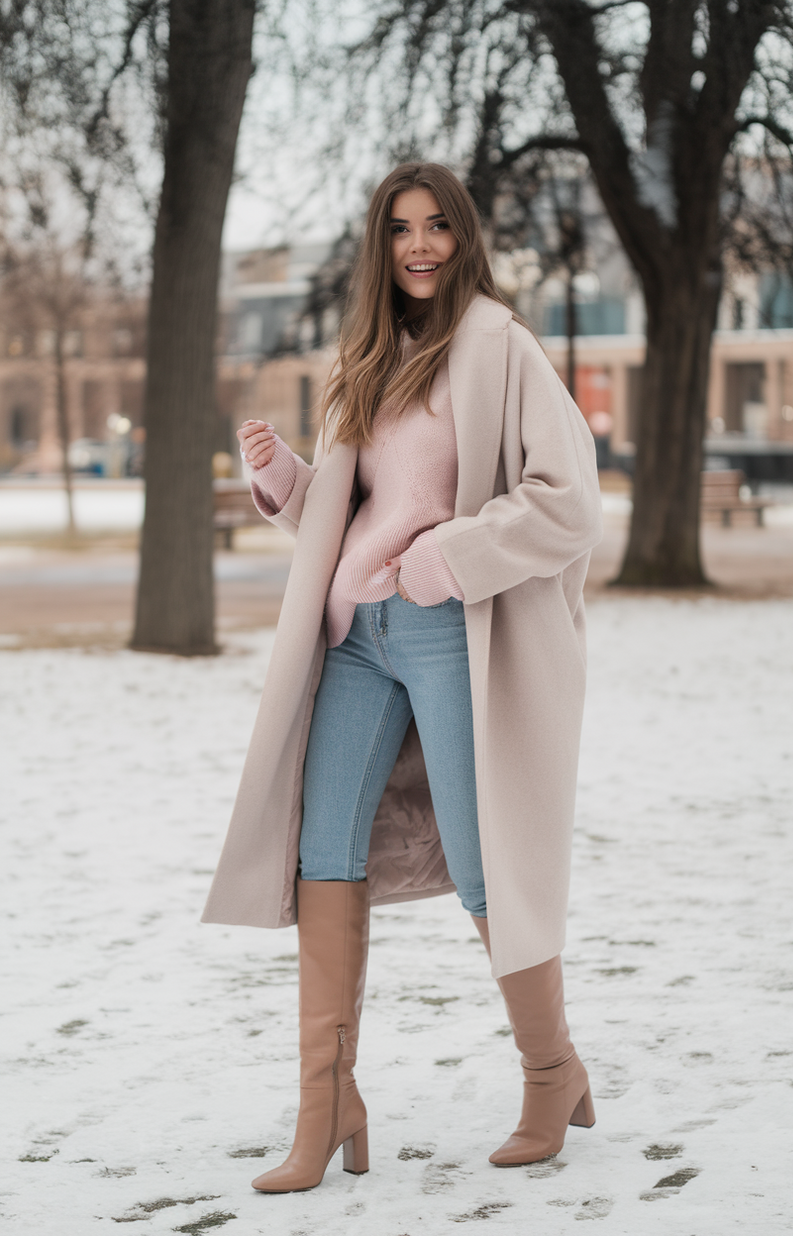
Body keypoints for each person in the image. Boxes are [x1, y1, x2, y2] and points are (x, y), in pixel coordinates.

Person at [202, 162, 603, 1193]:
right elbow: (352, 517)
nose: (417, 246)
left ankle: (549, 1072)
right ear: (377, 246)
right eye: (397, 230)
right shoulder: (369, 355)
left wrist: (444, 559)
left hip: (439, 628)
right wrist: (287, 482)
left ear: (461, 236)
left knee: (485, 860)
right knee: (322, 856)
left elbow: (567, 501)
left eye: (433, 227)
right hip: (355, 636)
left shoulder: (497, 347)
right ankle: (327, 1104)